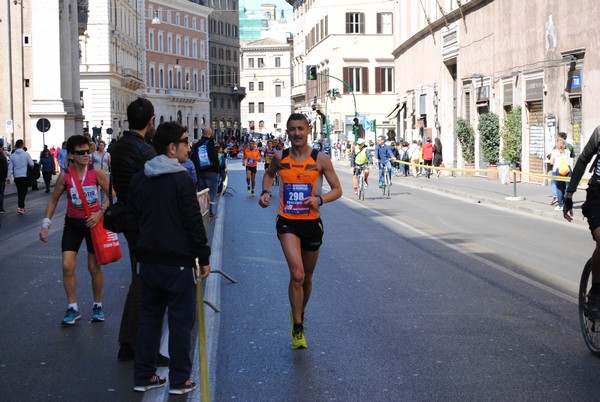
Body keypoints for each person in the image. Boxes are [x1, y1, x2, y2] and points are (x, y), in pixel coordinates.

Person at [128, 121, 211, 394]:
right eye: (186, 141)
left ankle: (144, 376)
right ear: (172, 147)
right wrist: (204, 257)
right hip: (177, 264)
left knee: (149, 320)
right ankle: (179, 380)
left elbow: (133, 219)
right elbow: (193, 223)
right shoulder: (181, 181)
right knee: (179, 323)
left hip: (149, 262)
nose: (190, 146)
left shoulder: (139, 179)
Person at [258, 113, 342, 349]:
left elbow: (337, 190)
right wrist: (265, 192)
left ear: (308, 131)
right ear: (287, 132)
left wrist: (320, 199)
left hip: (312, 223)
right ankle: (297, 326)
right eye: (292, 129)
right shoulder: (279, 157)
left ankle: (299, 312)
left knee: (307, 277)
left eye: (300, 129)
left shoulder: (321, 159)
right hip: (287, 221)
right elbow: (269, 174)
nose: (296, 133)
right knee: (297, 274)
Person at [39, 135, 111, 325]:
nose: (86, 155)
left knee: (93, 267)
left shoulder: (96, 172)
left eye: (88, 151)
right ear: (71, 155)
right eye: (81, 152)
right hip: (72, 224)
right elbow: (53, 199)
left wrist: (100, 213)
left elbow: (111, 195)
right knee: (67, 266)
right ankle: (72, 308)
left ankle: (97, 305)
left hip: (93, 224)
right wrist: (46, 224)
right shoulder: (65, 175)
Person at [110, 98, 162, 363]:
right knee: (147, 284)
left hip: (130, 218)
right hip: (144, 222)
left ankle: (129, 343)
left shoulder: (118, 146)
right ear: (150, 120)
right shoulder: (145, 151)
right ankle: (143, 348)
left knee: (140, 281)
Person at [565, 126, 600, 319]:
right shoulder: (599, 132)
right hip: (598, 195)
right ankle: (596, 293)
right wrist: (569, 194)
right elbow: (583, 160)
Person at [190, 128, 220, 218]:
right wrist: (217, 169)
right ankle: (210, 213)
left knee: (202, 193)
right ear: (210, 134)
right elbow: (214, 157)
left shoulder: (197, 144)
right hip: (211, 171)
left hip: (200, 172)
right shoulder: (211, 143)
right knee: (211, 193)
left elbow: (193, 157)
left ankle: (202, 212)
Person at [7, 139, 34, 214]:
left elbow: (10, 167)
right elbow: (32, 164)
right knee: (24, 192)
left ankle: (21, 206)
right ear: (22, 145)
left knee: (19, 192)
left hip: (17, 176)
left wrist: (8, 177)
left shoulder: (12, 155)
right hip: (24, 176)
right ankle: (21, 206)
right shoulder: (26, 154)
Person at [549, 138, 571, 210]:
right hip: (567, 170)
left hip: (558, 171)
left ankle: (560, 205)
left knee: (559, 188)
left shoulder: (555, 152)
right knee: (566, 187)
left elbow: (551, 162)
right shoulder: (568, 151)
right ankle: (566, 203)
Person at [0, 144, 8, 213]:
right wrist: (6, 177)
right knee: (1, 193)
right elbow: (5, 168)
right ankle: (0, 208)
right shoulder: (2, 157)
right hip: (1, 177)